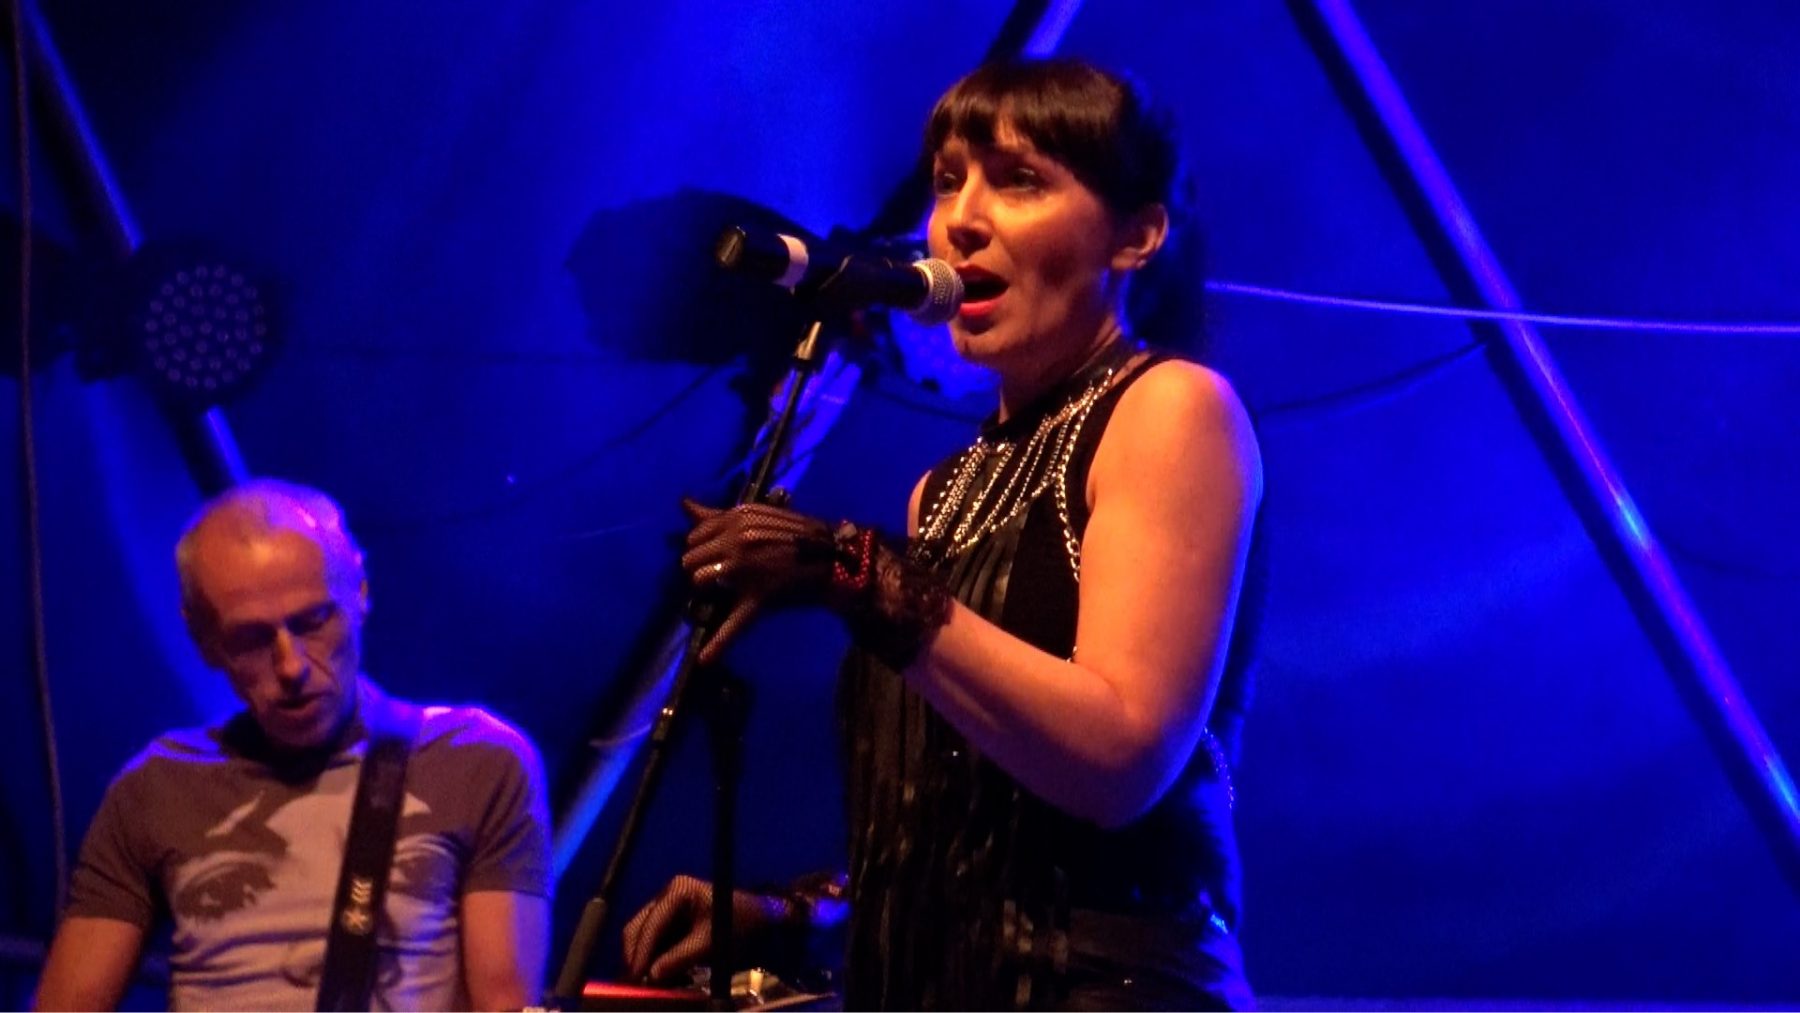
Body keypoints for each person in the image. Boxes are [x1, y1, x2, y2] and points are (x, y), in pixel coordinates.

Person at [622, 57, 1263, 1010]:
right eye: (948, 180)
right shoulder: (944, 490)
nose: (960, 218)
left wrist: (854, 571)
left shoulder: (1171, 408)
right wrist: (799, 914)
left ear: (1137, 235)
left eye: (1019, 180)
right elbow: (972, 825)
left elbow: (1121, 759)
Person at [33, 480, 552, 1011]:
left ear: (361, 592)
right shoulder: (156, 789)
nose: (291, 667)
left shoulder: (475, 761)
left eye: (313, 621)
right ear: (204, 640)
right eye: (251, 639)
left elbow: (504, 1005)